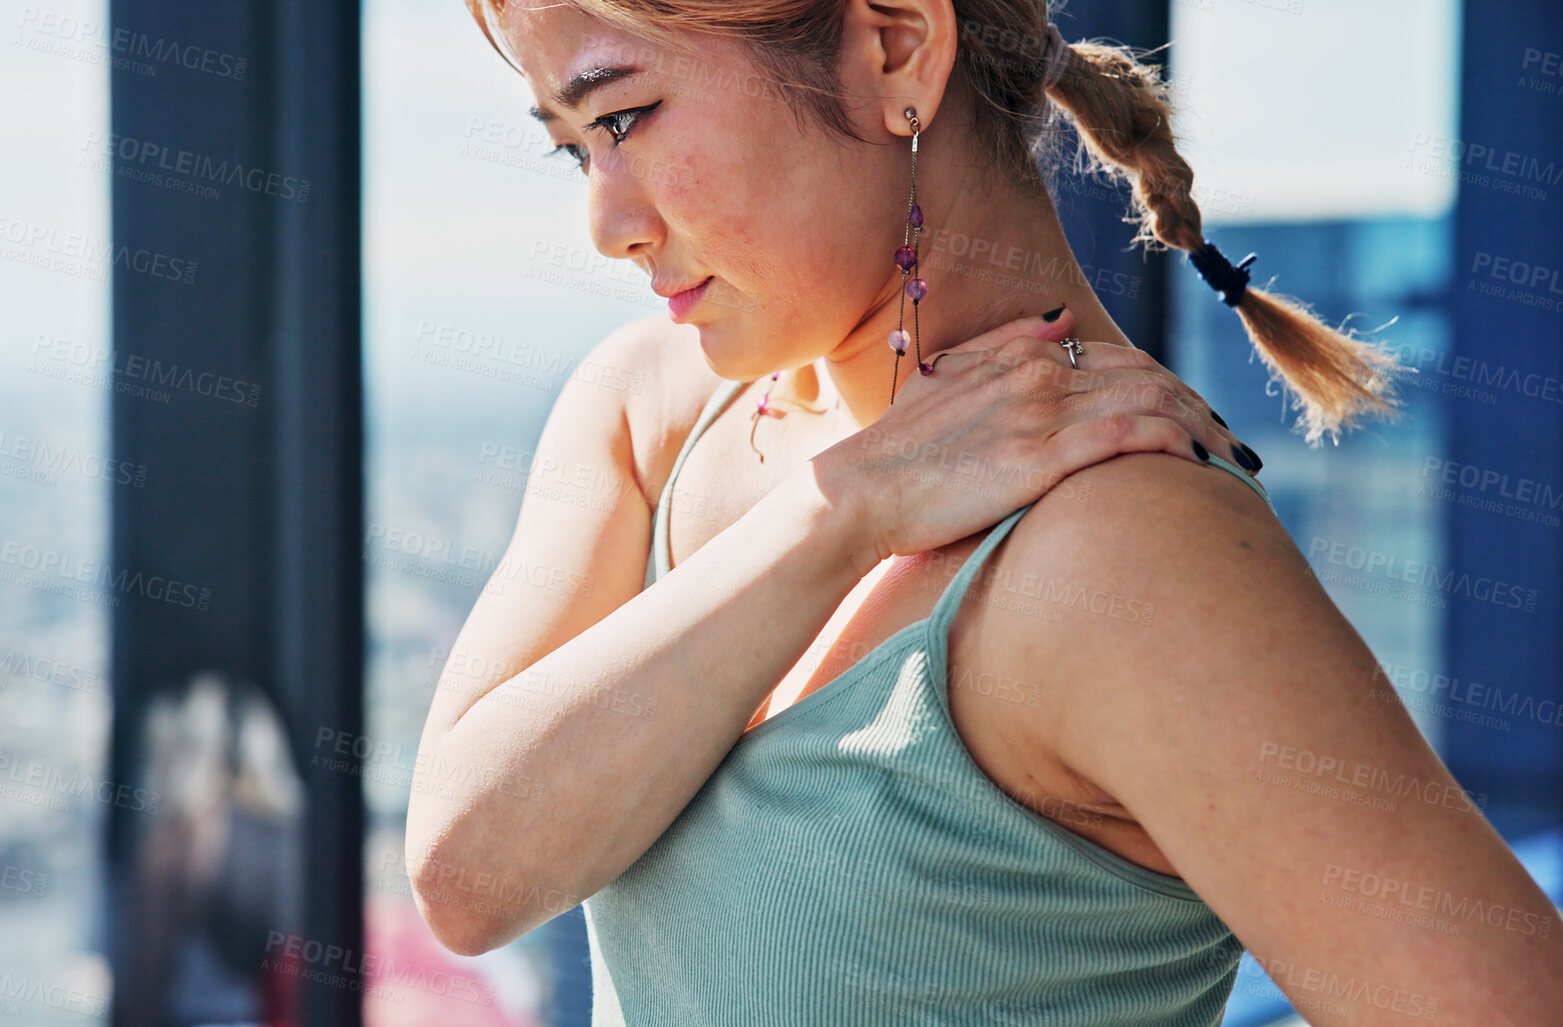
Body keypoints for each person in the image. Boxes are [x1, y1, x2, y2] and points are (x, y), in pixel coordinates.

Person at [405, 1, 1563, 1023]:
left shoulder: (1129, 550)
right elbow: (468, 877)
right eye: (572, 150)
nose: (606, 225)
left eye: (624, 118)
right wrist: (848, 510)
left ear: (897, 48)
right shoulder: (651, 410)